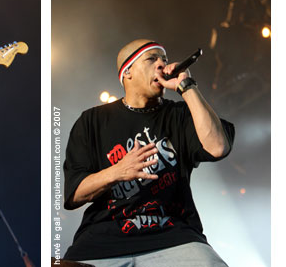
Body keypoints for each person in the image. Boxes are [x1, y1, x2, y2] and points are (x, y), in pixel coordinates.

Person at [63, 39, 235, 266]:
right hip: (103, 241)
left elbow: (218, 147)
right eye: (152, 58)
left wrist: (187, 86)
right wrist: (117, 171)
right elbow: (74, 194)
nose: (162, 65)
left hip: (173, 237)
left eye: (164, 59)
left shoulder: (180, 115)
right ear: (128, 72)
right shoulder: (92, 121)